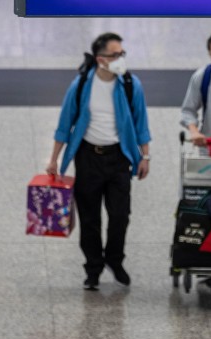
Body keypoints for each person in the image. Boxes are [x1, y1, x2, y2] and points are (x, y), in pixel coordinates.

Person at [48, 33, 152, 290]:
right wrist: (54, 159)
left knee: (120, 216)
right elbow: (65, 123)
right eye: (115, 55)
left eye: (122, 54)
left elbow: (141, 123)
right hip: (88, 158)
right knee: (90, 217)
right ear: (100, 59)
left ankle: (115, 260)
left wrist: (145, 156)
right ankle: (93, 267)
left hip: (119, 158)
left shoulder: (130, 84)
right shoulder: (82, 85)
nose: (120, 59)